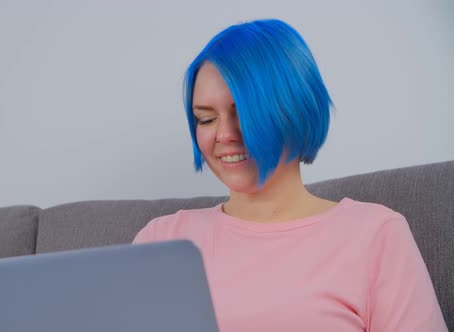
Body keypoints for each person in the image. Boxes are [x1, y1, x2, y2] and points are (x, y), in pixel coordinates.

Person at [132, 19, 447, 331]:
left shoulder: (378, 235)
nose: (224, 134)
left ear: (294, 109)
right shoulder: (161, 239)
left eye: (243, 112)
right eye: (206, 119)